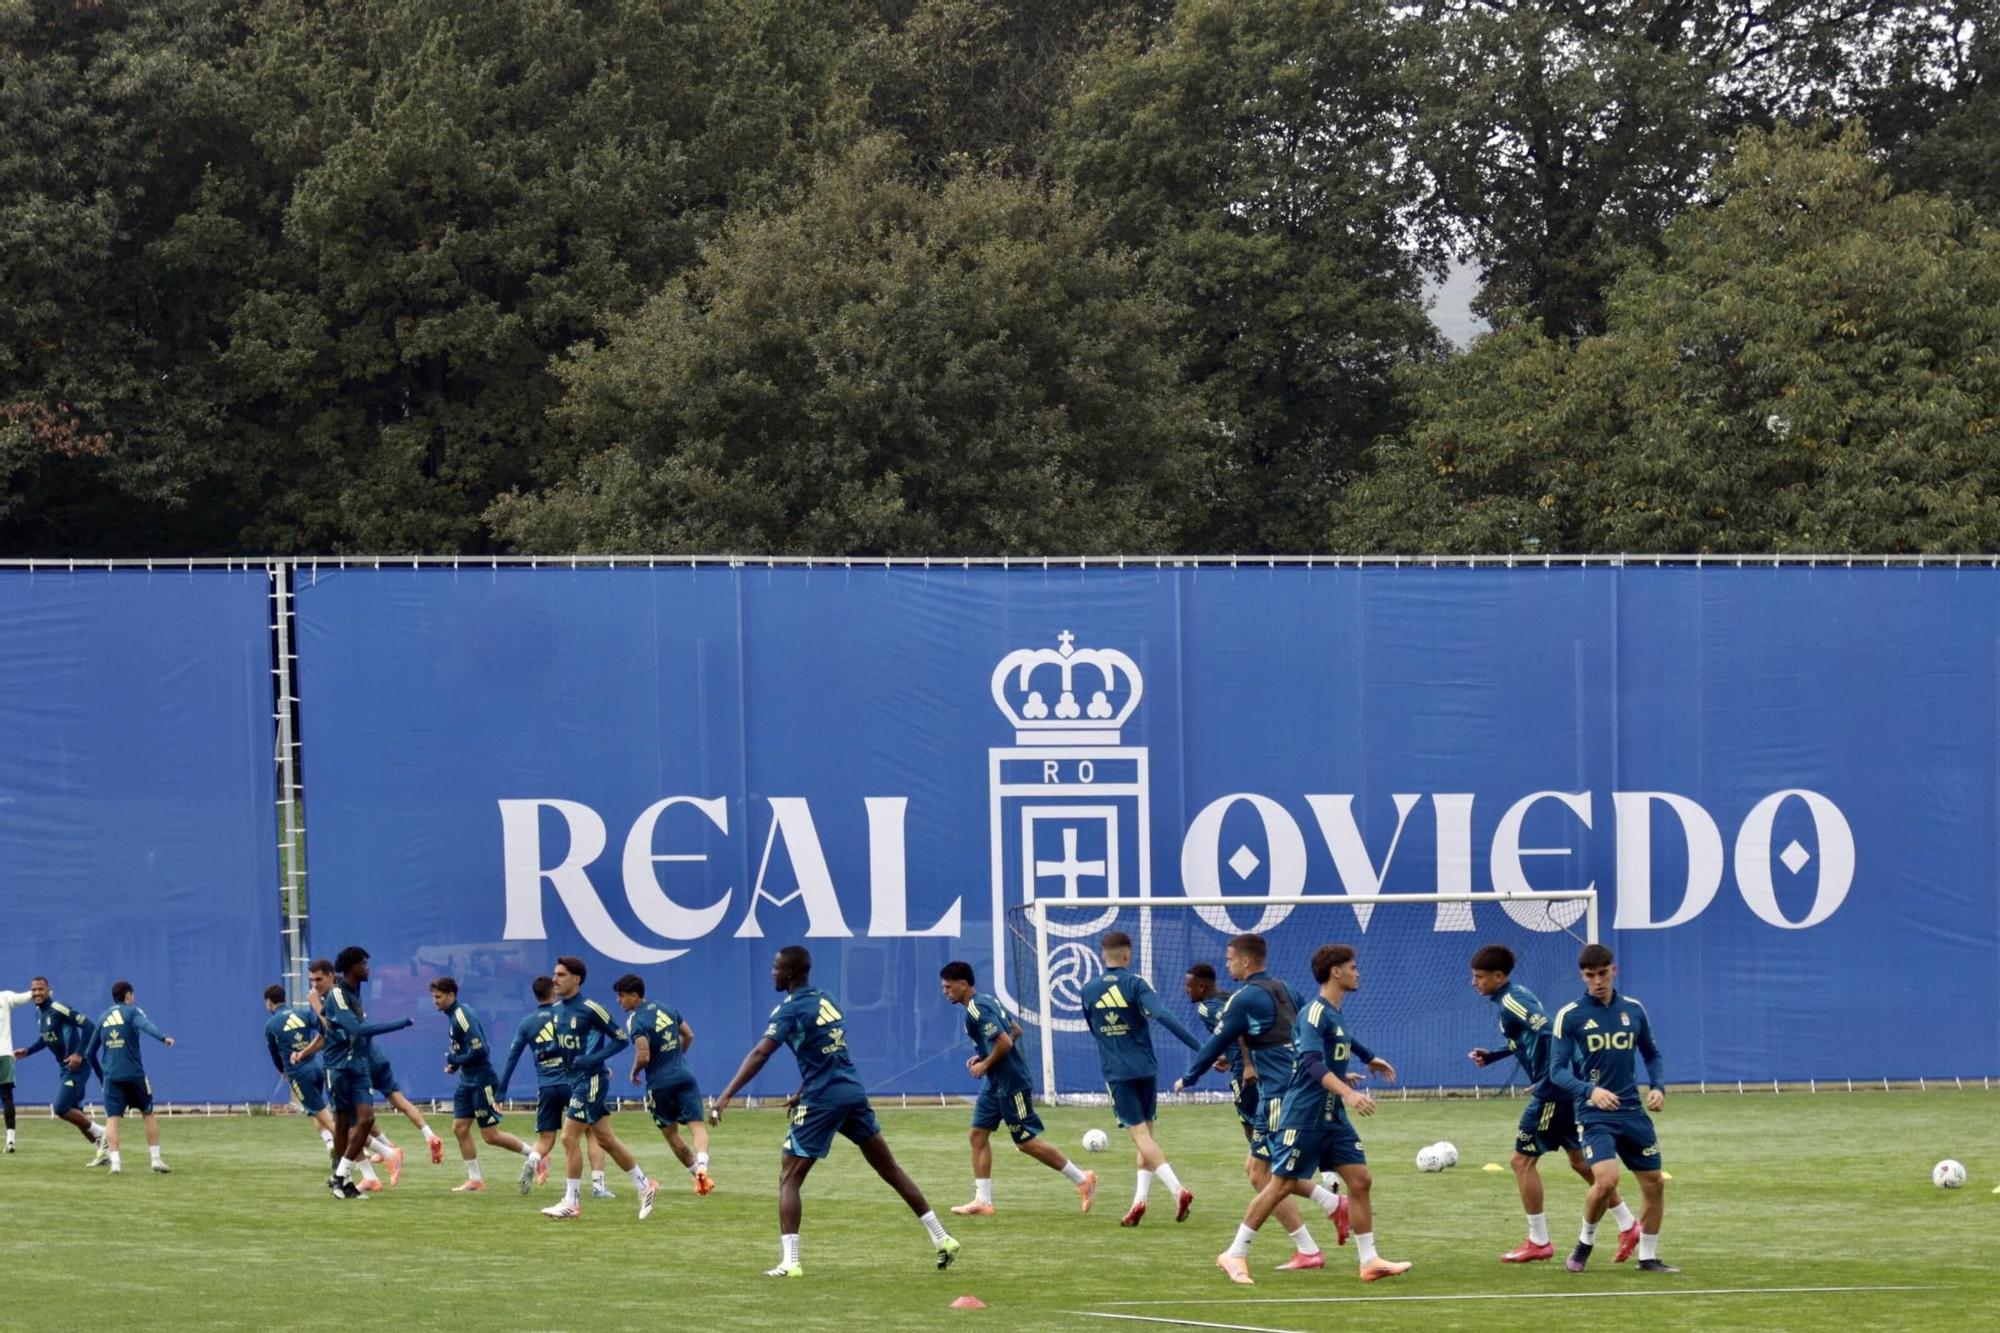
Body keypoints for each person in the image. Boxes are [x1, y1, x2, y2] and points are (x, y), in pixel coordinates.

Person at [711, 945, 961, 1278]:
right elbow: (827, 1050)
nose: (772, 972)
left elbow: (760, 1053)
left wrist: (726, 1096)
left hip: (824, 1099)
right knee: (889, 1168)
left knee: (789, 1177)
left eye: (776, 968)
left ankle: (791, 1262)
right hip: (850, 1091)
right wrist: (802, 1089)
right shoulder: (826, 999)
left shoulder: (789, 1010)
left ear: (790, 973)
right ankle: (942, 1237)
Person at [1213, 944, 1409, 1286]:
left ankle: (1369, 1260)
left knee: (1361, 1181)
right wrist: (1348, 1093)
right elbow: (1311, 1063)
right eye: (1353, 966)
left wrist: (1370, 1058)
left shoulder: (1334, 1013)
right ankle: (1235, 1253)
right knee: (1281, 1185)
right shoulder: (1314, 1013)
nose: (1357, 972)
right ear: (1336, 972)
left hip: (1332, 1118)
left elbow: (1339, 1049)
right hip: (1304, 1116)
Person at [1177, 936, 1344, 1270]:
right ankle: (1316, 1236)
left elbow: (1217, 1040)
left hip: (1283, 1095)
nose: (1227, 965)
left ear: (1245, 962)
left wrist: (1190, 1077)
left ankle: (1247, 1250)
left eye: (1229, 959)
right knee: (1257, 1171)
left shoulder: (1243, 998)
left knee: (1270, 1176)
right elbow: (1313, 1029)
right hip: (1279, 1091)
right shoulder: (1286, 989)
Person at [1466, 944, 1639, 1263]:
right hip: (1563, 1088)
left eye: (1479, 977)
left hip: (1554, 1091)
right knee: (1579, 1162)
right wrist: (1495, 1055)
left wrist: (1549, 1077)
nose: (1474, 982)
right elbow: (1528, 1038)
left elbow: (1549, 1028)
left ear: (1498, 976)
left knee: (1522, 1162)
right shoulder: (1512, 997)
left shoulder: (1512, 1000)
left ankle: (1539, 1241)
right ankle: (1628, 1224)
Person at [1548, 943, 1676, 1274]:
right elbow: (1557, 1071)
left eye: (1603, 974)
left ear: (1614, 971)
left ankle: (1647, 1258)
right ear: (1583, 976)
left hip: (1632, 1111)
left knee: (1655, 1184)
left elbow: (1651, 1053)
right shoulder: (1570, 1015)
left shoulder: (1633, 1009)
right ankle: (1584, 1242)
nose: (1598, 981)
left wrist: (1658, 1087)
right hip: (1594, 1113)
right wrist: (1591, 1091)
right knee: (1606, 1180)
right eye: (1590, 976)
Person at [937, 960, 1095, 1216]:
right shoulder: (987, 1001)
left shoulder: (978, 1009)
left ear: (963, 984)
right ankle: (983, 1201)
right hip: (995, 1083)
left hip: (1012, 1083)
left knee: (1026, 1142)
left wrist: (985, 1063)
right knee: (977, 1135)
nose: (945, 992)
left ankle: (1082, 1178)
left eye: (948, 987)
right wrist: (985, 1056)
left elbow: (1006, 1042)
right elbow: (1016, 1030)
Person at [539, 956, 659, 1220]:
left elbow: (620, 1039)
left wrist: (592, 1060)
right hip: (575, 1081)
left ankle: (571, 1202)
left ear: (576, 979)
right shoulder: (558, 1010)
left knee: (569, 1138)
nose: (555, 979)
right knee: (606, 1139)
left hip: (591, 1081)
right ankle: (644, 1185)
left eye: (560, 975)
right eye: (555, 974)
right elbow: (567, 1044)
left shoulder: (591, 1008)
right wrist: (550, 1052)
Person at [496, 974, 606, 1195]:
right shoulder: (565, 1015)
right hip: (573, 1082)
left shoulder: (527, 1022)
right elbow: (583, 1044)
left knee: (546, 1138)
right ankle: (598, 1186)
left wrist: (501, 1092)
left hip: (546, 1086)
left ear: (535, 995)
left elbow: (512, 1057)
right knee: (592, 1133)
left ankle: (534, 1159)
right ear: (554, 991)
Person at [319, 947, 415, 1200]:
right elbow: (357, 1029)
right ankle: (347, 1182)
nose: (367, 968)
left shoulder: (354, 992)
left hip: (358, 1066)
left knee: (367, 1118)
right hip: (338, 1066)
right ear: (352, 968)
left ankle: (340, 1175)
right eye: (363, 963)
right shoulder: (338, 994)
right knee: (341, 1123)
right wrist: (399, 1023)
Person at [613, 973, 714, 1197]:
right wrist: (677, 1057)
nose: (618, 1001)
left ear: (635, 996)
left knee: (672, 1135)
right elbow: (689, 1035)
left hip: (660, 1084)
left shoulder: (635, 1020)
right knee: (697, 1126)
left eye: (621, 996)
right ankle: (703, 1166)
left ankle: (697, 1174)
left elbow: (644, 1055)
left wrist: (634, 1071)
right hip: (684, 1075)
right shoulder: (665, 1007)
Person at [431, 976, 530, 1192]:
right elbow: (465, 1049)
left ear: (451, 995)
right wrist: (456, 1066)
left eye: (438, 997)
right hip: (467, 1079)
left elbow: (480, 1050)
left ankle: (535, 1156)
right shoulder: (453, 1016)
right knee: (459, 1128)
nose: (434, 1001)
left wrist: (453, 1060)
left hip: (481, 1079)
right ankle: (475, 1179)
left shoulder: (462, 1015)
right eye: (433, 997)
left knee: (490, 1136)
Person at [308, 959, 399, 1190]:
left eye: (319, 979)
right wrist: (303, 1053)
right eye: (312, 981)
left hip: (349, 1067)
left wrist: (316, 1007)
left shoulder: (336, 997)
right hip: (345, 1065)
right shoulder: (340, 997)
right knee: (345, 1124)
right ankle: (363, 1173)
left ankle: (386, 1154)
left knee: (348, 1123)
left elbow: (338, 1031)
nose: (315, 984)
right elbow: (324, 1036)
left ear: (331, 976)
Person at [13, 977, 109, 1164]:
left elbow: (89, 1026)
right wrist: (28, 1051)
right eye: (33, 990)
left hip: (77, 1066)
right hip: (64, 1066)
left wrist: (79, 1054)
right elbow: (46, 1038)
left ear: (49, 990)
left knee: (61, 1107)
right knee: (76, 1112)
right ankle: (104, 1154)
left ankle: (103, 1133)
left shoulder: (59, 1008)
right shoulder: (39, 1013)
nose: (36, 993)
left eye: (40, 989)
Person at [83, 981, 174, 1175]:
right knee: (147, 1113)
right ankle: (156, 1159)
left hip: (111, 1078)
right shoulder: (132, 1012)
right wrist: (163, 1037)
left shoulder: (103, 1017)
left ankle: (115, 1163)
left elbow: (89, 1054)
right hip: (134, 1075)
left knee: (112, 1119)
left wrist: (102, 1077)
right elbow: (146, 1026)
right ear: (128, 996)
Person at [263, 984, 340, 1165]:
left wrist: (283, 1071)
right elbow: (324, 1026)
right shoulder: (303, 1014)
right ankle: (331, 1147)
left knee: (322, 1115)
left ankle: (353, 1151)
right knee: (316, 1111)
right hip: (315, 1067)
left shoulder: (271, 1025)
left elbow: (274, 1055)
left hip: (298, 1073)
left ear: (268, 1003)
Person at [0, 982, 33, 1152]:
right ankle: (11, 1140)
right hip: (4, 1055)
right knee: (7, 1097)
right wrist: (40, 992)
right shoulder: (4, 997)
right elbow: (25, 997)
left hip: (5, 1054)